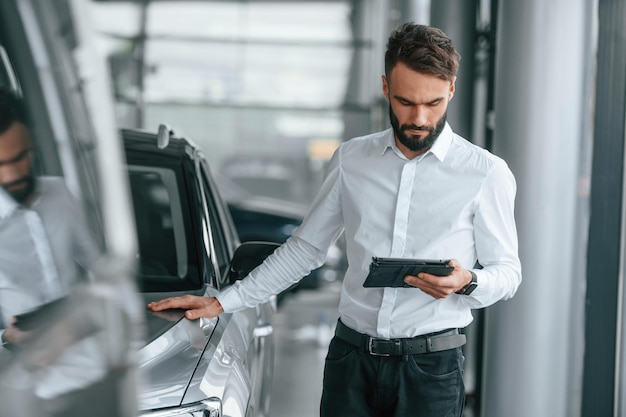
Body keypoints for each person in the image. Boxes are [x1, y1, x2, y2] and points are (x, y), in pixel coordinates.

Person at [148, 23, 522, 417]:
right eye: (405, 102)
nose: (419, 118)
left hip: (430, 370)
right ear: (384, 88)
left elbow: (508, 272)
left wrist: (468, 282)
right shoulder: (351, 160)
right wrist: (222, 302)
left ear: (450, 89)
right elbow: (305, 250)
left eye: (432, 103)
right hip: (351, 361)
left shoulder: (485, 173)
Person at [0, 87, 108, 416]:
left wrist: (76, 322)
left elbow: (107, 273)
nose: (14, 173)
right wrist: (8, 338)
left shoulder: (62, 195)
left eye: (21, 158)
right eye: (1, 163)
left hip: (87, 380)